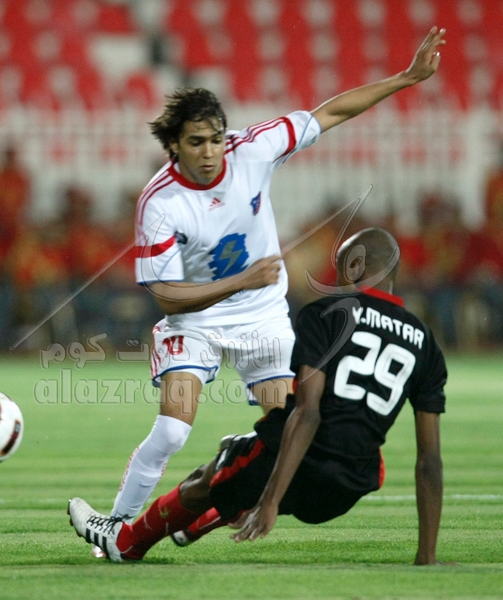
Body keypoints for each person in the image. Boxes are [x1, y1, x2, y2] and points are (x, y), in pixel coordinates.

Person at [100, 27, 446, 536]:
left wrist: (406, 78)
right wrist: (243, 279)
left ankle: (204, 518)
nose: (210, 152)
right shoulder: (160, 202)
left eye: (216, 139)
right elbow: (166, 296)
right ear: (173, 145)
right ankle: (117, 524)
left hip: (262, 317)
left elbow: (331, 113)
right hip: (194, 319)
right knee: (173, 430)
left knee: (289, 434)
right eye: (196, 143)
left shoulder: (255, 149)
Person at [68, 227, 447, 565]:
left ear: (355, 266)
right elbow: (430, 459)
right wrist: (426, 557)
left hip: (303, 461)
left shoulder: (328, 313)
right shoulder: (425, 342)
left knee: (216, 471)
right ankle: (200, 523)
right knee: (260, 451)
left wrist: (269, 501)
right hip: (351, 484)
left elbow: (308, 413)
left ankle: (125, 543)